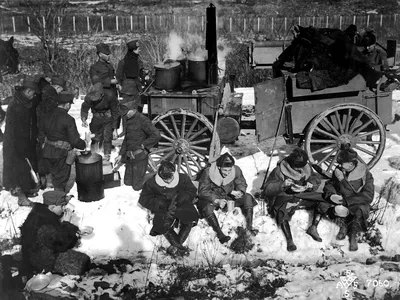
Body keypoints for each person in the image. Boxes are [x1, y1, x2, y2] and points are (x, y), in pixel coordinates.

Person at [263, 148, 330, 251]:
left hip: (303, 194)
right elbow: (267, 189)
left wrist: (311, 183)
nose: (299, 170)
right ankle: (290, 240)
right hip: (286, 196)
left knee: (323, 200)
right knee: (281, 210)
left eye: (301, 167)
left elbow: (314, 178)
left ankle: (313, 228)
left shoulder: (306, 167)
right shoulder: (279, 171)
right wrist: (282, 184)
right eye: (296, 168)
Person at [20, 190, 90, 275]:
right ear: (52, 207)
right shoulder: (42, 223)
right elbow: (61, 244)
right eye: (62, 206)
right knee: (82, 265)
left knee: (85, 260)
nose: (64, 208)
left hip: (49, 250)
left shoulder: (45, 213)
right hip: (43, 260)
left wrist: (74, 231)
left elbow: (57, 235)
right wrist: (67, 224)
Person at [139, 161, 199, 256]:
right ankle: (180, 248)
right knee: (162, 224)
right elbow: (143, 198)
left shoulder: (183, 178)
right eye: (164, 179)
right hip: (164, 207)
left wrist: (184, 197)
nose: (168, 181)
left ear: (174, 173)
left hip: (181, 204)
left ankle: (176, 246)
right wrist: (158, 203)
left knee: (189, 218)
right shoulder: (152, 183)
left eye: (170, 178)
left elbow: (192, 190)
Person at [197, 152, 258, 244]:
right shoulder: (208, 172)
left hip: (229, 197)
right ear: (218, 167)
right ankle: (220, 234)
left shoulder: (236, 170)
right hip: (214, 198)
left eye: (229, 170)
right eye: (225, 170)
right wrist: (216, 200)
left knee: (248, 197)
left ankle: (249, 227)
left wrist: (240, 191)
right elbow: (203, 191)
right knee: (206, 207)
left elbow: (241, 182)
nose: (227, 173)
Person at [323, 145, 374, 251]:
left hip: (357, 202)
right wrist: (332, 194)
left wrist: (347, 201)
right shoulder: (339, 171)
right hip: (341, 200)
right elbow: (330, 184)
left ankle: (353, 237)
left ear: (351, 164)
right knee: (323, 206)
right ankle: (343, 227)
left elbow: (368, 196)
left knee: (359, 211)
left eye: (342, 163)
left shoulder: (365, 175)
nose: (339, 165)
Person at [39, 92, 87, 192]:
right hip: (61, 154)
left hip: (47, 151)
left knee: (52, 177)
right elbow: (75, 141)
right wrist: (84, 144)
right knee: (60, 181)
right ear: (67, 105)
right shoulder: (68, 119)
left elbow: (40, 133)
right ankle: (58, 202)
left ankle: (51, 197)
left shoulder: (45, 116)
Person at [3, 76, 39, 206]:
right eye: (33, 93)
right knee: (18, 169)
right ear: (28, 91)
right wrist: (21, 146)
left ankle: (25, 189)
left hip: (22, 140)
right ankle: (21, 197)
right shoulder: (17, 105)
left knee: (24, 168)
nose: (33, 96)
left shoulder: (23, 102)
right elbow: (17, 129)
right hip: (14, 142)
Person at [115, 101, 160, 191]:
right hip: (130, 157)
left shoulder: (143, 120)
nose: (124, 116)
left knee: (136, 186)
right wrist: (120, 154)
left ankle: (155, 175)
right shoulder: (128, 120)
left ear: (133, 110)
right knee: (127, 182)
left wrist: (144, 145)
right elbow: (126, 139)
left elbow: (157, 135)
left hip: (140, 156)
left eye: (126, 114)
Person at [36, 75, 67, 188]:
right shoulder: (51, 97)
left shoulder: (43, 92)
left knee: (41, 154)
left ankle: (42, 179)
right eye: (61, 90)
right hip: (45, 130)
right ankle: (48, 180)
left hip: (38, 129)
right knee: (48, 155)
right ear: (58, 87)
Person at [81, 83, 119, 161]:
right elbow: (84, 108)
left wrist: (115, 128)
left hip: (108, 117)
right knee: (95, 137)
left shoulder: (110, 95)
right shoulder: (89, 97)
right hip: (96, 117)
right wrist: (84, 119)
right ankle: (93, 156)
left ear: (102, 95)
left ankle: (106, 157)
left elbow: (115, 112)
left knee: (107, 137)